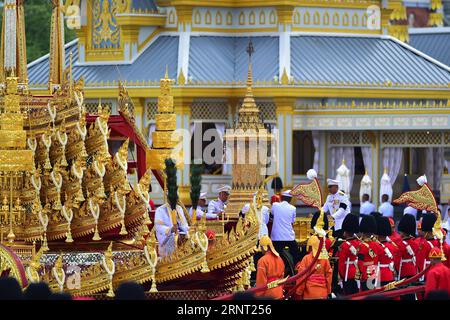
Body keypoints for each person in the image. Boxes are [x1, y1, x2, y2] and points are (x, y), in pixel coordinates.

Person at [294, 235, 332, 300]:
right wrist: (328, 291)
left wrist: (299, 292)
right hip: (323, 293)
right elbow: (329, 276)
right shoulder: (325, 259)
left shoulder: (306, 258)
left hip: (309, 294)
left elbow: (302, 277)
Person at [270, 190, 300, 263]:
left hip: (276, 237)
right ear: (290, 199)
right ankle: (296, 267)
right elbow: (292, 222)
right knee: (296, 254)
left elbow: (271, 216)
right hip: (288, 237)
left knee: (275, 256)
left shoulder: (275, 205)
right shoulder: (293, 208)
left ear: (281, 198)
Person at [393, 214, 419, 300]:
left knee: (403, 294)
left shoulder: (399, 244)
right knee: (411, 294)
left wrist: (395, 271)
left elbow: (397, 261)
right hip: (413, 270)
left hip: (402, 271)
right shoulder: (415, 243)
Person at [336, 214, 360, 295]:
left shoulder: (344, 245)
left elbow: (341, 264)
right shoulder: (359, 243)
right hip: (358, 273)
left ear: (345, 232)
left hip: (347, 274)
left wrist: (341, 276)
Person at [373, 216, 399, 287]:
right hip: (390, 275)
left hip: (378, 276)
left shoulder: (375, 246)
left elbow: (373, 263)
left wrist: (370, 282)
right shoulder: (392, 245)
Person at [357, 215, 379, 291]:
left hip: (366, 273)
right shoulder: (376, 244)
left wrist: (361, 275)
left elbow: (360, 262)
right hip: (375, 271)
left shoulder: (362, 245)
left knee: (365, 294)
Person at [415, 213, 441, 279]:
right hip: (439, 271)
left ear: (427, 232)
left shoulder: (424, 244)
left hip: (427, 273)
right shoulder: (438, 242)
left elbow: (420, 261)